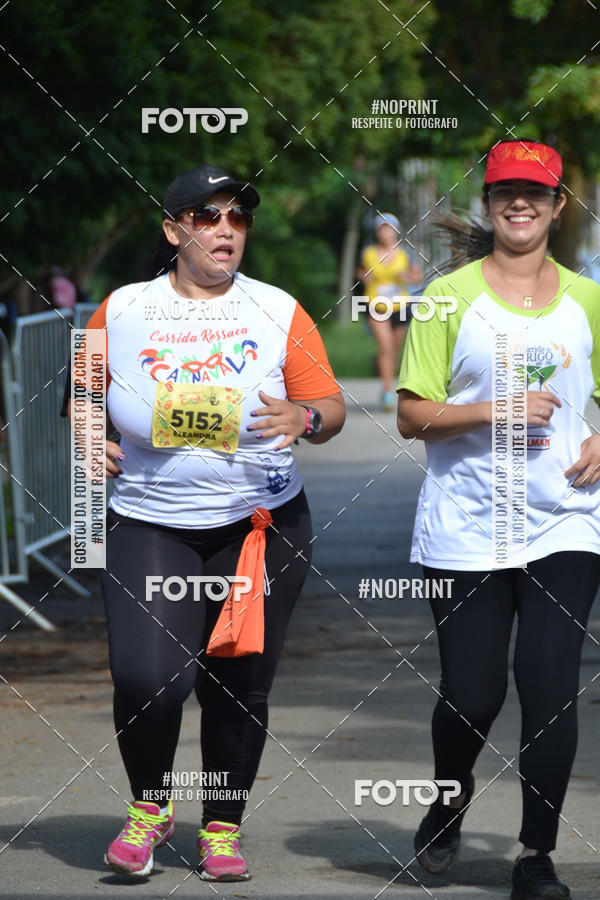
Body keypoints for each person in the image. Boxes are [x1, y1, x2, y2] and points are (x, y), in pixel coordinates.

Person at [65, 163, 345, 881]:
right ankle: (150, 808)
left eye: (238, 218)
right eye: (207, 216)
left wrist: (306, 418)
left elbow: (330, 407)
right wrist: (89, 435)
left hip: (260, 528)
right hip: (150, 523)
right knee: (146, 677)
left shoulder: (278, 309)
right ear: (173, 230)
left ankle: (221, 828)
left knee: (237, 684)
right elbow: (81, 396)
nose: (226, 229)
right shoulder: (121, 309)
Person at [397, 139, 600, 900]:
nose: (521, 203)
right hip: (466, 524)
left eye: (536, 192)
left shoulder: (588, 299)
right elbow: (412, 414)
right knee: (473, 695)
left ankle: (535, 857)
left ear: (557, 206)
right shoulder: (448, 297)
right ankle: (448, 804)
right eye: (506, 191)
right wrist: (497, 410)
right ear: (488, 203)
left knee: (548, 686)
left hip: (565, 521)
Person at [356, 212, 422, 411]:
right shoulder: (368, 253)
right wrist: (364, 276)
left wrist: (406, 276)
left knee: (393, 349)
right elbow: (360, 271)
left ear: (396, 231)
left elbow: (417, 277)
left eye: (389, 228)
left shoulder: (405, 253)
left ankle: (389, 381)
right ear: (377, 232)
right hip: (376, 305)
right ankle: (387, 390)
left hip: (400, 306)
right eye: (382, 229)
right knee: (385, 346)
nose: (386, 233)